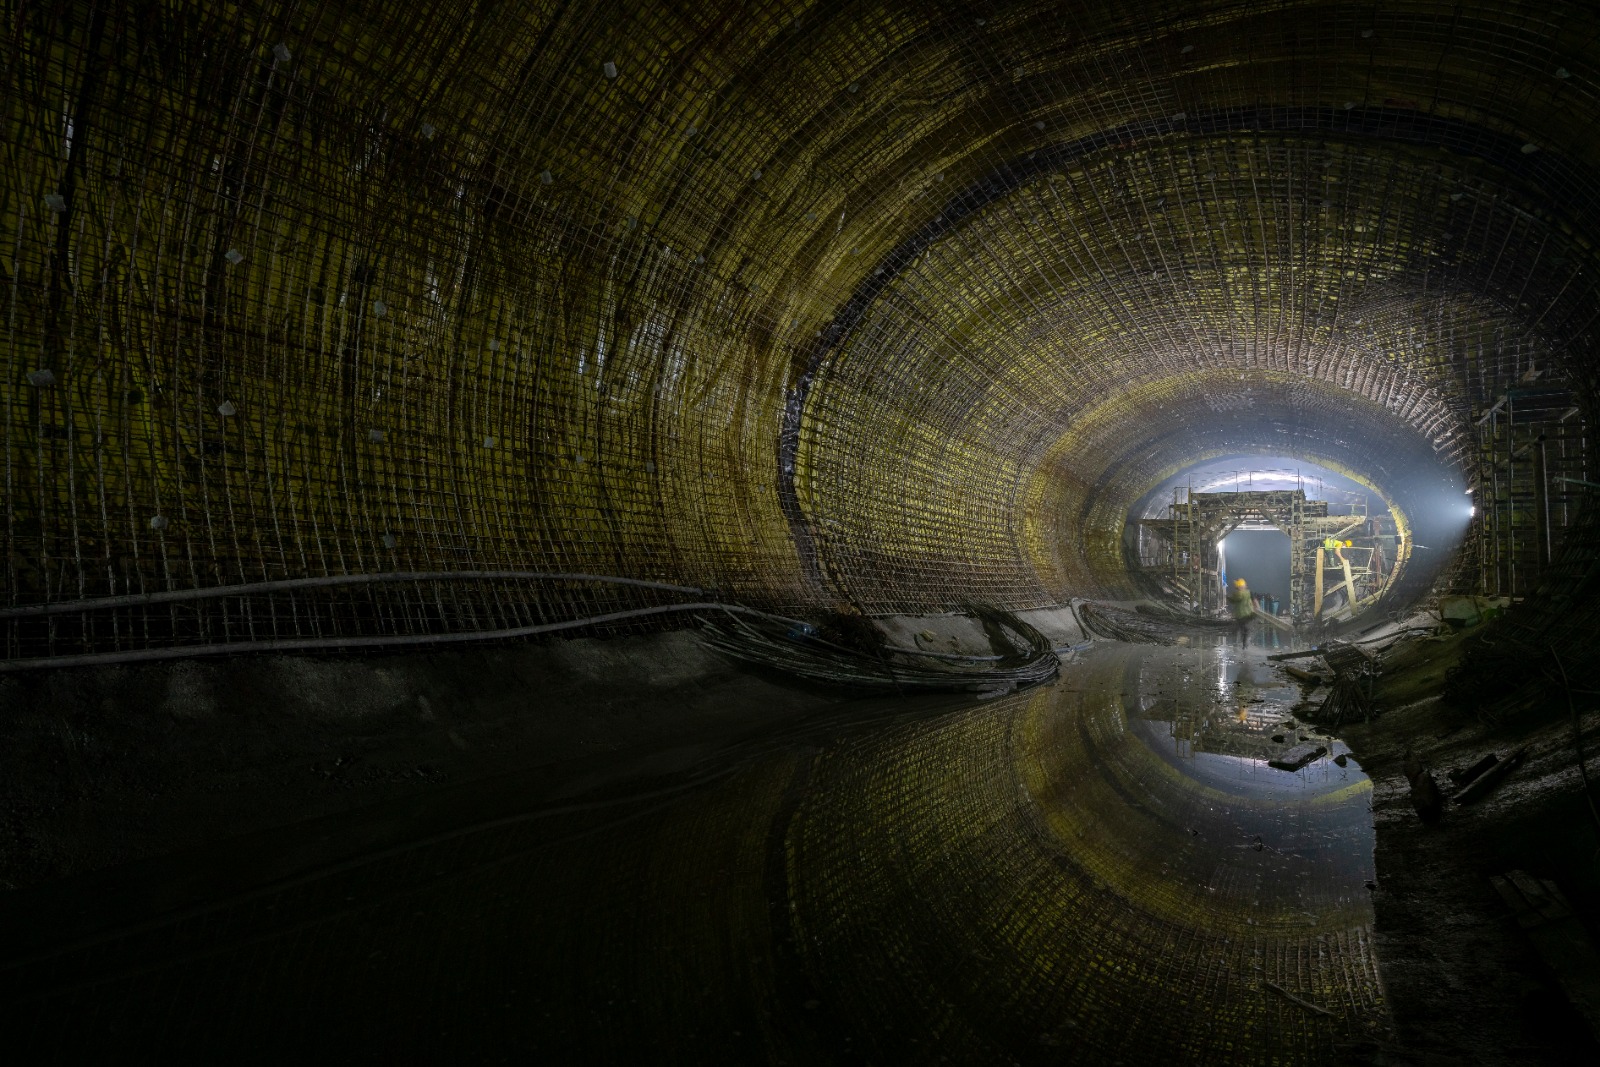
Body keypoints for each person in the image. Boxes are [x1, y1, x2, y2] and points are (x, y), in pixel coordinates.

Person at [1226, 577, 1253, 646]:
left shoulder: (1237, 594)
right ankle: (1245, 643)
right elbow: (1251, 601)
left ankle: (1240, 643)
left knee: (1240, 629)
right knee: (1246, 630)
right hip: (1248, 615)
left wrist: (1227, 597)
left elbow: (1233, 600)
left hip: (1240, 615)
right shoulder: (1248, 593)